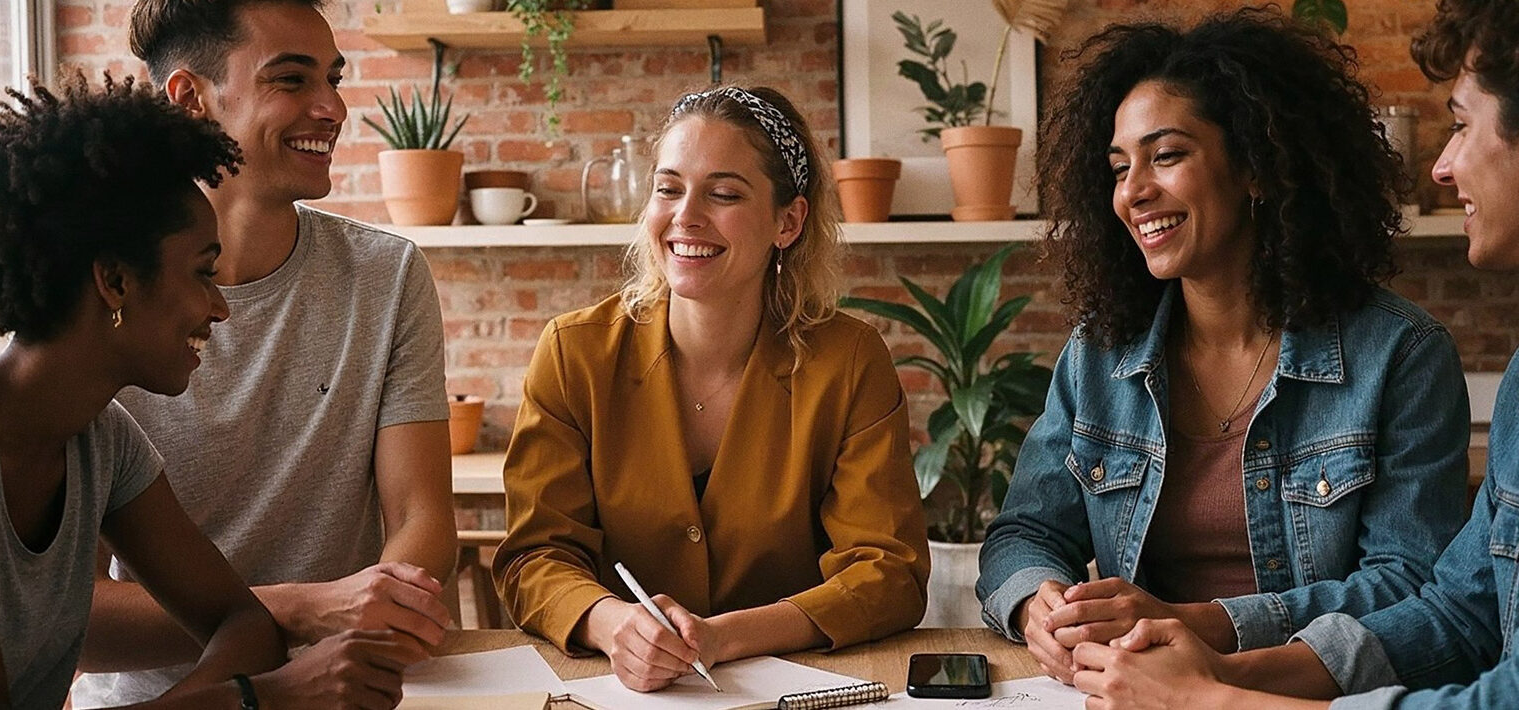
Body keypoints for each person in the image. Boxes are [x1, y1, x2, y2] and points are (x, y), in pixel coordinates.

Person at [975, 6, 1471, 685]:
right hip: (1132, 690)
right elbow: (1026, 532)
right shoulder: (1099, 355)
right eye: (1119, 168)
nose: (1134, 192)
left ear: (1258, 168)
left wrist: (1203, 623)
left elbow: (1412, 585)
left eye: (1167, 155)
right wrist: (1041, 604)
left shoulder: (1400, 354)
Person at [0, 72, 424, 710]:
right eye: (201, 274)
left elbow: (242, 623)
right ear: (114, 281)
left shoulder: (103, 442)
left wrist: (230, 699)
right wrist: (258, 700)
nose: (219, 308)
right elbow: (254, 665)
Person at [73, 0, 457, 704]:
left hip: (346, 688)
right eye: (291, 80)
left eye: (334, 79)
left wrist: (374, 614)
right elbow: (69, 619)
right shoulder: (98, 298)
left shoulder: (386, 275)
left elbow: (421, 520)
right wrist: (303, 609)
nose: (333, 108)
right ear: (191, 99)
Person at [493, 84, 930, 692]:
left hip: (798, 692)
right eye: (668, 188)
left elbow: (889, 574)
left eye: (723, 194)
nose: (685, 215)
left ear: (788, 221)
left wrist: (722, 636)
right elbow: (534, 557)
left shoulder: (849, 360)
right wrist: (611, 622)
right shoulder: (574, 353)